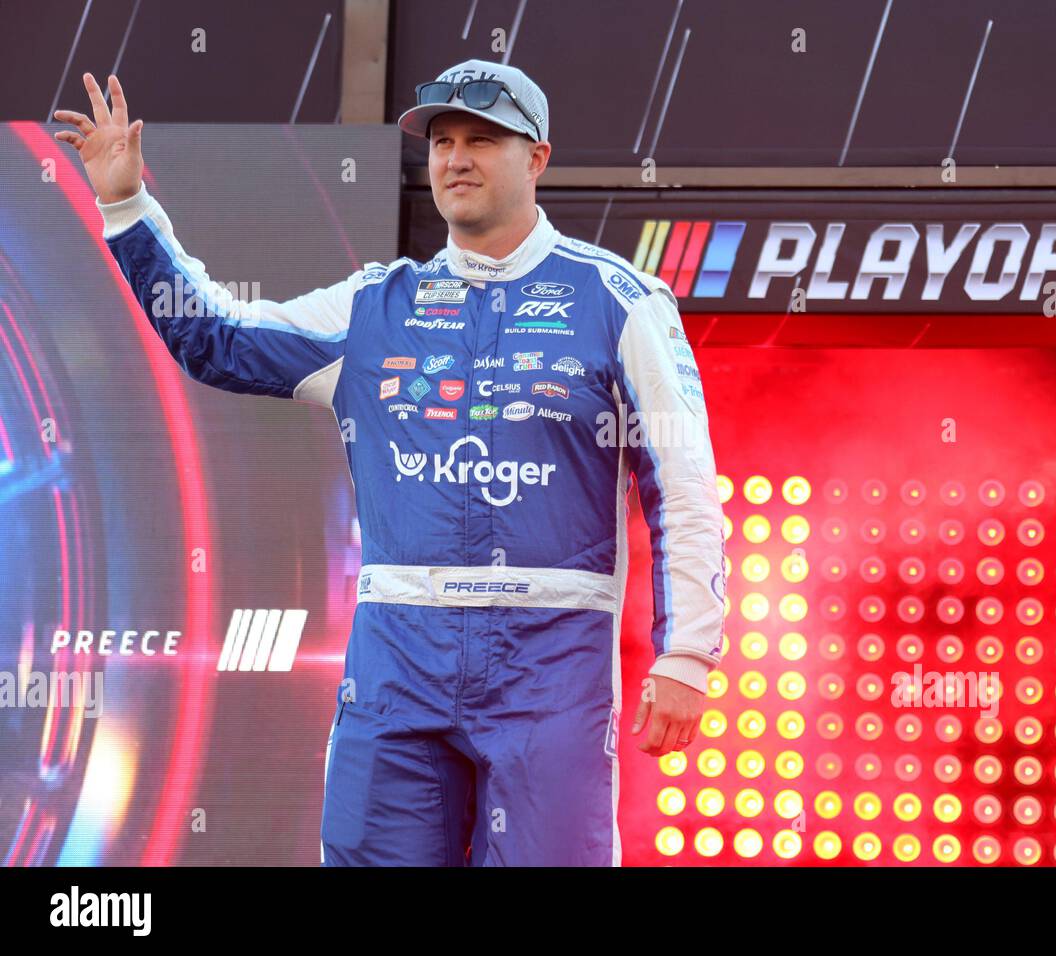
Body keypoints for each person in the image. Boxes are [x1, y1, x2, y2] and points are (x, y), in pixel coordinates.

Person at [55, 60, 727, 866]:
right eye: (442, 141)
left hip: (551, 669)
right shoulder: (376, 306)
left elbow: (684, 485)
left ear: (538, 158)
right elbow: (218, 339)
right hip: (399, 666)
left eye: (483, 139)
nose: (456, 159)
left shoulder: (620, 301)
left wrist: (687, 651)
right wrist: (126, 205)